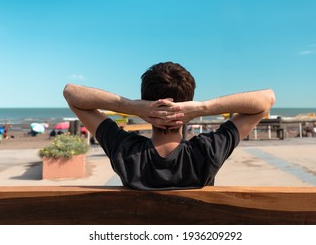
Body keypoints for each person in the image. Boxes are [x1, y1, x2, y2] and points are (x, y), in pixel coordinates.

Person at [63, 62, 275, 190]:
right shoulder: (208, 152)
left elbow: (71, 94)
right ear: (188, 103)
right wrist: (202, 107)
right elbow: (266, 100)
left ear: (145, 101)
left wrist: (131, 106)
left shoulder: (126, 152)